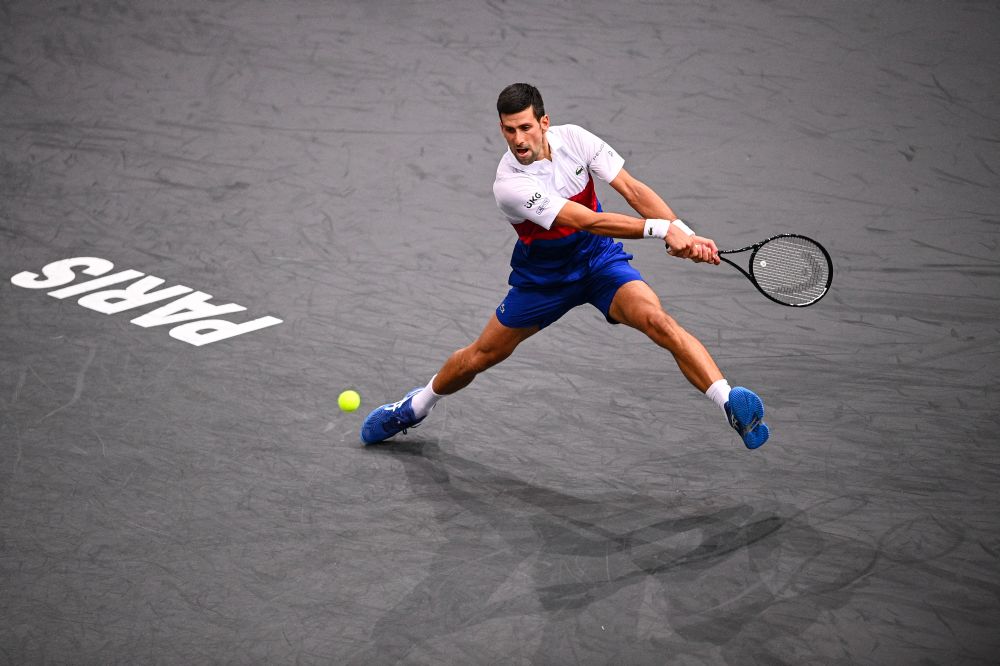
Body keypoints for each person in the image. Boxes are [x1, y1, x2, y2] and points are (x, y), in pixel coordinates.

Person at [360, 83, 769, 449]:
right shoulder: (510, 184)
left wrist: (685, 231)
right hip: (544, 281)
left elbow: (631, 188)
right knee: (479, 357)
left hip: (599, 262)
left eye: (524, 127)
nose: (517, 139)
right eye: (508, 130)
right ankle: (415, 405)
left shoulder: (575, 139)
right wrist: (663, 231)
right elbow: (585, 219)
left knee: (658, 321)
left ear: (544, 122)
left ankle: (728, 401)